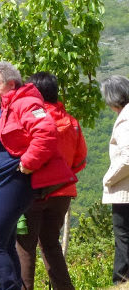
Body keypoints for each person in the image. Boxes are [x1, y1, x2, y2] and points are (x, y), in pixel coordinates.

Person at [0, 61, 76, 289]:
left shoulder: (25, 103)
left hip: (11, 185)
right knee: (3, 245)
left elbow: (46, 133)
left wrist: (28, 163)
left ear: (11, 84)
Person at [15, 72, 86, 290]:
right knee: (51, 244)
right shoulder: (71, 122)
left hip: (33, 192)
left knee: (25, 247)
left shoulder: (33, 120)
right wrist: (61, 178)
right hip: (63, 193)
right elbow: (80, 160)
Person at [100, 75, 129, 284]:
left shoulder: (126, 119)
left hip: (124, 191)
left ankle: (121, 280)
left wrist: (108, 179)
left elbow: (128, 157)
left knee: (123, 236)